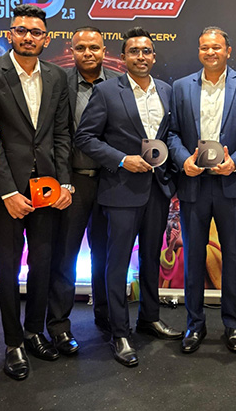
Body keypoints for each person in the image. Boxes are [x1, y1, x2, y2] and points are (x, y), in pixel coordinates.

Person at [0, 4, 72, 381]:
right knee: (8, 268)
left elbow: (62, 133)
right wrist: (7, 192)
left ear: (47, 38)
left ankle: (34, 332)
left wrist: (64, 182)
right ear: (10, 34)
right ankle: (13, 342)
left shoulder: (57, 76)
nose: (28, 37)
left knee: (42, 264)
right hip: (5, 192)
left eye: (36, 32)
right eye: (21, 30)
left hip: (46, 187)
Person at [75, 26, 183, 367]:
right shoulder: (107, 91)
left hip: (158, 190)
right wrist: (122, 160)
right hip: (120, 190)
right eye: (134, 51)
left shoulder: (166, 90)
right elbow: (85, 138)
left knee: (151, 258)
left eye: (146, 51)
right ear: (122, 57)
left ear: (154, 56)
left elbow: (172, 135)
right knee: (117, 262)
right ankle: (119, 332)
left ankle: (149, 318)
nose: (141, 56)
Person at [168, 26, 236, 354]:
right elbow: (171, 134)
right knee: (193, 257)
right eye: (204, 47)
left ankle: (233, 325)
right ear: (199, 50)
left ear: (228, 51)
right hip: (193, 184)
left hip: (232, 184)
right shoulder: (181, 87)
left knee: (234, 257)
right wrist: (183, 160)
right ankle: (194, 325)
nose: (210, 52)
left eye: (216, 47)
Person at [45, 26, 119, 354]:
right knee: (65, 256)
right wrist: (62, 180)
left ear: (104, 50)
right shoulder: (58, 83)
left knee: (106, 255)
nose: (88, 53)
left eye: (94, 47)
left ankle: (107, 317)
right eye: (81, 48)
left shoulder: (118, 84)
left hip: (110, 182)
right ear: (71, 50)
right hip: (71, 182)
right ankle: (59, 325)